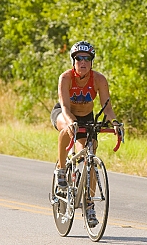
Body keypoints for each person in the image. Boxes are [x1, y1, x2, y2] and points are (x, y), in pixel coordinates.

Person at [50, 40, 122, 226]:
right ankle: (61, 168)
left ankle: (89, 205)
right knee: (68, 128)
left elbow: (108, 109)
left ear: (91, 62)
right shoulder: (66, 78)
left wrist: (114, 123)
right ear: (73, 61)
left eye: (87, 59)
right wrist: (71, 121)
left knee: (89, 155)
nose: (83, 62)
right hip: (64, 114)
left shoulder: (99, 79)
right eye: (79, 59)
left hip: (87, 117)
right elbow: (65, 106)